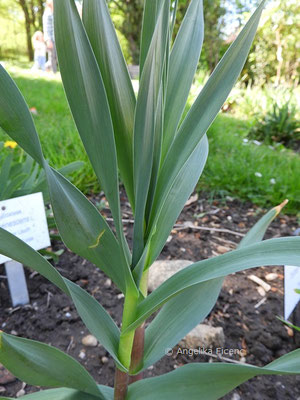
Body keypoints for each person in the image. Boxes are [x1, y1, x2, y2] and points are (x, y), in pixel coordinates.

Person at [43, 0, 57, 73]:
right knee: (52, 56)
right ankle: (53, 71)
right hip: (51, 39)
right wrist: (48, 40)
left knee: (56, 56)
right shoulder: (47, 13)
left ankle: (47, 67)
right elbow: (46, 28)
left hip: (57, 38)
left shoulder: (55, 13)